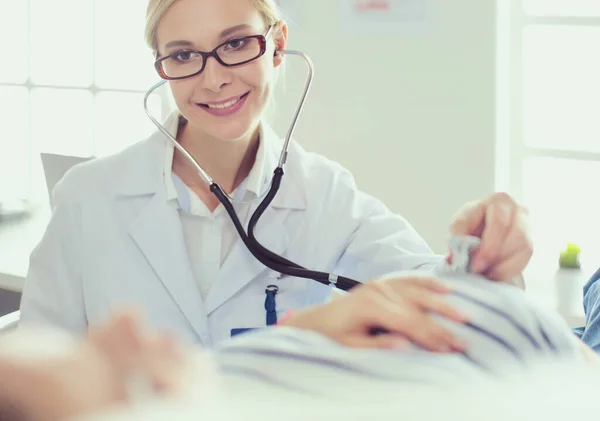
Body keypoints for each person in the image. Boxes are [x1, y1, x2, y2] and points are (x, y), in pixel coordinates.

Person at [19, 0, 532, 347]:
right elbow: (35, 367)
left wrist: (484, 252)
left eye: (237, 44)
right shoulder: (89, 197)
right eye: (183, 55)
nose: (214, 77)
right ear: (161, 65)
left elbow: (445, 300)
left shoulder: (325, 195)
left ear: (278, 45)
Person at [1, 269, 596, 421]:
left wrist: (303, 331)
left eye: (237, 43)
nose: (121, 324)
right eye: (102, 364)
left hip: (512, 327)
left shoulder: (197, 379)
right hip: (549, 350)